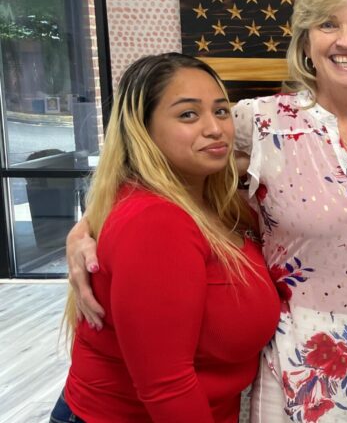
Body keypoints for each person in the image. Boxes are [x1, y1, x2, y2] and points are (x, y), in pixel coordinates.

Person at [65, 0, 347, 423]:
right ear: (305, 40)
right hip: (300, 372)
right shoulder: (260, 122)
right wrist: (82, 232)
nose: (346, 41)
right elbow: (151, 168)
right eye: (328, 24)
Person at [50, 53, 279, 423]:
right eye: (188, 114)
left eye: (221, 111)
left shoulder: (206, 199)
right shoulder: (156, 222)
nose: (214, 128)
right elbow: (166, 387)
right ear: (143, 129)